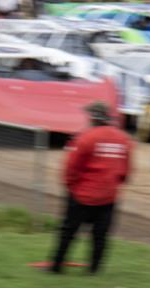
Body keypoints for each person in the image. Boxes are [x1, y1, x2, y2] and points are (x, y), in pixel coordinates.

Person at [48, 101, 133, 275]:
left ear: (93, 118)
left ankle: (56, 267)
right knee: (100, 235)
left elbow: (72, 167)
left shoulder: (86, 138)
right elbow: (125, 170)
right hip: (108, 196)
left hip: (82, 195)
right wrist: (114, 186)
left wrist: (71, 187)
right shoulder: (124, 139)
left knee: (68, 232)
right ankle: (94, 270)